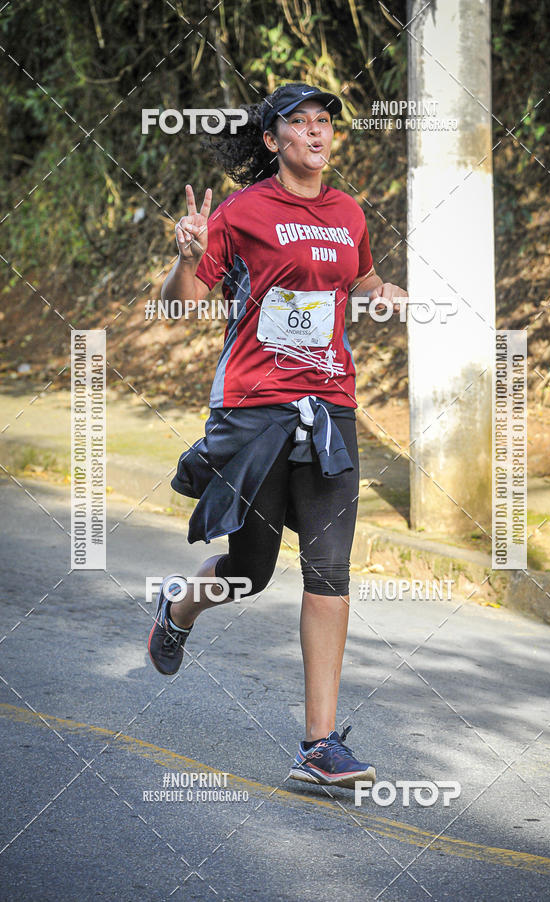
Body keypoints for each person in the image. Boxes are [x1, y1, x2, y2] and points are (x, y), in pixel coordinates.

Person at [148, 82, 407, 788]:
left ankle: (319, 745)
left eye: (326, 122)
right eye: (302, 124)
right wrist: (184, 255)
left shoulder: (348, 213)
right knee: (251, 572)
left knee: (329, 573)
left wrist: (381, 294)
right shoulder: (242, 212)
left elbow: (361, 278)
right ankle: (177, 608)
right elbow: (182, 305)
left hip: (329, 409)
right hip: (254, 408)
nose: (319, 134)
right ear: (273, 141)